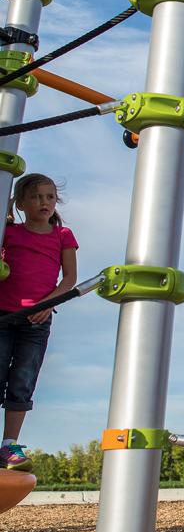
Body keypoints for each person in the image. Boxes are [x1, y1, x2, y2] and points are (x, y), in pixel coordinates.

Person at [0, 174, 78, 471]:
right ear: (21, 203)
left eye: (49, 197)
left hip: (37, 320)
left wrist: (48, 304)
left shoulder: (62, 236)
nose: (43, 202)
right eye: (34, 197)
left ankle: (9, 447)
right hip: (4, 315)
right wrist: (6, 206)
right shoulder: (9, 232)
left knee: (22, 381)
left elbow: (69, 279)